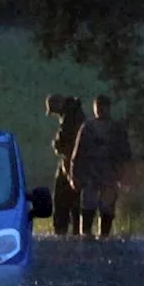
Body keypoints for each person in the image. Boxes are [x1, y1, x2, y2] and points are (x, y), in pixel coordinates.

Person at [70, 94, 133, 239]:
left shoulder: (116, 129)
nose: (99, 110)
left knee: (107, 206)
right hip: (90, 172)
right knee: (88, 204)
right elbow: (78, 153)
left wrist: (126, 174)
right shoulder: (88, 127)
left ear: (108, 108)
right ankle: (85, 233)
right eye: (97, 107)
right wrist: (75, 174)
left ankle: (104, 234)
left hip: (109, 172)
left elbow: (125, 153)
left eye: (102, 107)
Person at [46, 94, 86, 235]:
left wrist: (57, 145)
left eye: (53, 110)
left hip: (72, 163)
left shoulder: (70, 117)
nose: (55, 114)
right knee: (73, 200)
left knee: (63, 198)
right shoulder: (74, 113)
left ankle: (63, 230)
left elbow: (65, 142)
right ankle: (76, 230)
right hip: (75, 162)